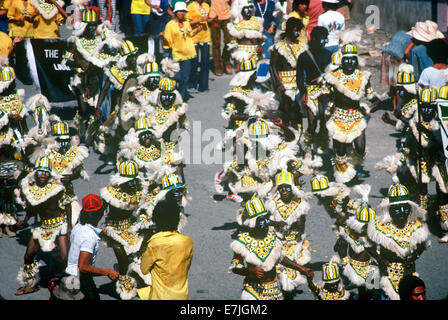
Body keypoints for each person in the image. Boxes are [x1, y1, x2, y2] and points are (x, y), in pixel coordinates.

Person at [229, 196, 313, 300]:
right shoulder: (242, 243)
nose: (265, 224)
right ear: (252, 223)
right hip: (254, 291)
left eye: (266, 220)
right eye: (261, 222)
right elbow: (235, 267)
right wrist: (249, 271)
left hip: (274, 290)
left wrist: (301, 268)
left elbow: (280, 258)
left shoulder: (273, 238)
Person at [323, 38, 380, 184]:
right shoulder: (334, 77)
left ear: (356, 61)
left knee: (360, 149)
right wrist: (327, 105)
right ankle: (342, 176)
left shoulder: (363, 76)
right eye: (346, 60)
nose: (349, 63)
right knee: (340, 151)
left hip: (356, 116)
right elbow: (325, 93)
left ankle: (354, 166)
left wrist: (378, 102)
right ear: (342, 61)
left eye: (352, 60)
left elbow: (370, 94)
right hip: (339, 116)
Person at [366, 183, 430, 300]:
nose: (402, 212)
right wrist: (380, 259)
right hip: (388, 274)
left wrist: (414, 256)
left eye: (405, 208)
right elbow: (367, 245)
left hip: (409, 272)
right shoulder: (379, 227)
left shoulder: (416, 226)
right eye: (397, 209)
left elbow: (423, 244)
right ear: (390, 210)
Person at [15, 156, 68, 295]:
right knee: (28, 255)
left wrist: (70, 227)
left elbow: (67, 204)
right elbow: (33, 209)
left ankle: (68, 283)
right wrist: (25, 220)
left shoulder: (57, 188)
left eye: (46, 173)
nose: (43, 175)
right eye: (40, 172)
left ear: (50, 174)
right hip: (42, 226)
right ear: (35, 173)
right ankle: (30, 284)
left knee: (64, 257)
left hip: (59, 224)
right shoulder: (31, 189)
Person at [61, 194, 119, 300]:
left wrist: (100, 233)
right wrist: (108, 272)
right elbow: (83, 267)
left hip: (71, 275)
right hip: (80, 279)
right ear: (99, 214)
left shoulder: (78, 226)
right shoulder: (89, 237)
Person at [138, 192, 193, 300]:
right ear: (178, 220)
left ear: (156, 220)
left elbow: (144, 269)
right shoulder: (187, 241)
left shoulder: (154, 243)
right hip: (182, 296)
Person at [296, 26, 331, 151]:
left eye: (325, 38)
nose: (324, 41)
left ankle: (322, 147)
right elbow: (299, 77)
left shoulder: (329, 55)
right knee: (312, 123)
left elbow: (334, 75)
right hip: (311, 92)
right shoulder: (304, 56)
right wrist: (303, 93)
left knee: (324, 122)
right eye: (321, 38)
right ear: (314, 38)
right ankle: (307, 146)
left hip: (326, 92)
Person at [270, 17, 306, 134]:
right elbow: (273, 66)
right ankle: (285, 133)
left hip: (299, 82)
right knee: (286, 108)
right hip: (284, 83)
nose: (297, 34)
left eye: (298, 31)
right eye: (295, 31)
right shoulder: (279, 46)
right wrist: (278, 83)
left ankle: (297, 133)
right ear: (289, 30)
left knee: (298, 110)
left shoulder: (302, 46)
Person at [162, 1, 202, 100]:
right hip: (176, 54)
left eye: (184, 11)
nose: (182, 13)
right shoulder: (170, 25)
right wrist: (164, 39)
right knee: (176, 77)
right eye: (180, 11)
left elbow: (189, 35)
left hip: (188, 54)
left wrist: (197, 30)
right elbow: (167, 41)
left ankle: (180, 98)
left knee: (185, 78)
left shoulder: (186, 23)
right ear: (175, 12)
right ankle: (172, 95)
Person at [186, 0, 212, 92]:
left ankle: (203, 85)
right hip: (195, 36)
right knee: (194, 62)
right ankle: (192, 83)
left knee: (205, 61)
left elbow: (207, 19)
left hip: (205, 36)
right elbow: (187, 22)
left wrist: (211, 19)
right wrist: (199, 20)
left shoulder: (206, 5)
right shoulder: (190, 6)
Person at [209, 0, 233, 75]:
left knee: (229, 41)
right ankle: (218, 67)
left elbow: (233, 2)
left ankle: (226, 61)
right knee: (216, 43)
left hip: (227, 16)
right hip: (214, 17)